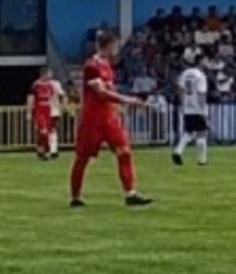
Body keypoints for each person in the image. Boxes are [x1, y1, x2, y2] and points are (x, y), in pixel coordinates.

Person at [70, 31, 153, 208]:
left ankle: (130, 194)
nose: (117, 49)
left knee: (125, 151)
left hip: (109, 118)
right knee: (82, 159)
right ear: (108, 45)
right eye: (115, 45)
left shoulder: (107, 65)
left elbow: (109, 89)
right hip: (92, 120)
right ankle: (75, 196)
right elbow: (101, 93)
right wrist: (128, 100)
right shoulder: (92, 66)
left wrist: (118, 107)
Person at [172, 63, 210, 167]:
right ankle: (202, 160)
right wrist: (204, 111)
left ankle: (178, 150)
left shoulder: (184, 74)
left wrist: (183, 105)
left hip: (187, 107)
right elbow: (201, 94)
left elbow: (180, 91)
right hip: (197, 107)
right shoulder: (201, 76)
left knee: (189, 132)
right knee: (202, 133)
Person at [29, 70, 65, 161]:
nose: (50, 76)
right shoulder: (36, 85)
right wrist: (30, 112)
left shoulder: (51, 85)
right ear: (43, 74)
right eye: (48, 74)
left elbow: (56, 96)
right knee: (44, 132)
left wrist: (61, 106)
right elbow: (31, 98)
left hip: (49, 110)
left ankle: (44, 151)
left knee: (48, 131)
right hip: (41, 110)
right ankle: (46, 150)